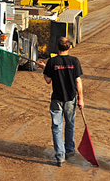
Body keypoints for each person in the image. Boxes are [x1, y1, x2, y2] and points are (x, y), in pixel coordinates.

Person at [37, 37, 84, 167]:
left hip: (57, 99)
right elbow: (78, 81)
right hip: (70, 99)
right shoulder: (74, 61)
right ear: (69, 48)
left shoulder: (52, 62)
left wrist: (44, 69)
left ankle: (60, 156)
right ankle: (69, 150)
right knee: (70, 125)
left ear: (57, 47)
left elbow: (48, 80)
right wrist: (81, 99)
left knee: (57, 127)